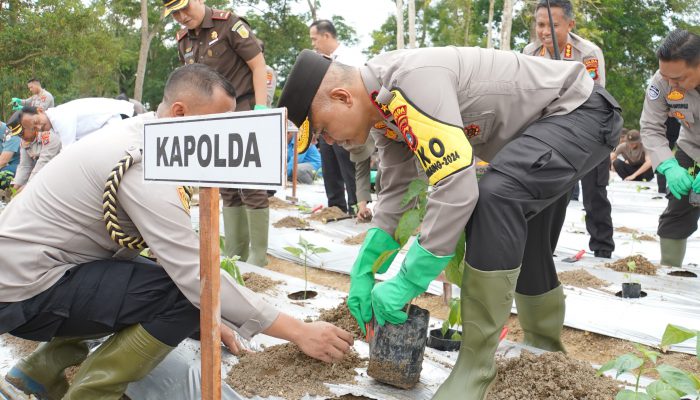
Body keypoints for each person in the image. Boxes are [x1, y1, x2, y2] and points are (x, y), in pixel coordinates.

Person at [278, 47, 621, 399]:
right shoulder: (383, 111)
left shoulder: (410, 83)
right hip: (544, 133)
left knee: (493, 200)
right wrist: (366, 265)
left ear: (342, 97)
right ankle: (543, 350)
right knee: (520, 230)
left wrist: (410, 279)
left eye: (323, 130)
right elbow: (399, 193)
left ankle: (475, 367)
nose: (330, 142)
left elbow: (456, 186)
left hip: (580, 113)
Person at [0, 64, 353, 400]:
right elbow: (195, 277)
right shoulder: (144, 164)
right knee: (184, 296)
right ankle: (91, 393)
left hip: (30, 274)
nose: (225, 134)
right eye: (217, 122)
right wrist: (300, 332)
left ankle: (37, 372)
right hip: (25, 292)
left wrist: (210, 319)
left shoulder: (142, 129)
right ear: (181, 114)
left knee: (165, 289)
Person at [165, 0, 272, 266]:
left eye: (184, 8)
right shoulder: (183, 41)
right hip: (210, 120)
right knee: (226, 186)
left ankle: (258, 256)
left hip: (243, 108)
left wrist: (260, 109)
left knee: (251, 183)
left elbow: (259, 67)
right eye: (174, 13)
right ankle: (236, 252)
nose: (181, 16)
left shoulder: (229, 25)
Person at [523, 0, 615, 259]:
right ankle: (541, 249)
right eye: (540, 25)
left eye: (553, 25)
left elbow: (593, 96)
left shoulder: (587, 53)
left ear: (570, 25)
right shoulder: (530, 53)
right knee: (548, 192)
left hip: (588, 129)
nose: (545, 32)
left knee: (594, 191)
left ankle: (602, 249)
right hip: (549, 131)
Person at [640, 29, 700, 268]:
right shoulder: (661, 82)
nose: (670, 83)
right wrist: (669, 165)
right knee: (678, 210)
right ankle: (670, 274)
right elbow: (651, 127)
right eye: (666, 76)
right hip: (691, 148)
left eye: (678, 78)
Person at [309, 19, 365, 215]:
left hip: (344, 119)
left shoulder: (351, 57)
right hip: (326, 120)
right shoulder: (320, 61)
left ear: (327, 35)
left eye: (315, 39)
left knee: (348, 162)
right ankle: (336, 205)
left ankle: (356, 206)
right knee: (329, 162)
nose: (314, 44)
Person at [14, 98, 134, 147]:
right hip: (111, 127)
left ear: (40, 110)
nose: (39, 127)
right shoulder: (55, 120)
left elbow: (68, 154)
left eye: (36, 122)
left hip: (119, 119)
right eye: (34, 129)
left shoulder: (59, 118)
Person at [5, 113, 62, 191]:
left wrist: (27, 187)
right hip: (45, 173)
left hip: (59, 171)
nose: (21, 137)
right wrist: (15, 187)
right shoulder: (25, 141)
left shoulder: (47, 134)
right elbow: (25, 165)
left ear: (28, 125)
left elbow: (43, 163)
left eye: (21, 133)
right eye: (17, 135)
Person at [0, 122, 21, 190]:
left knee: (3, 174)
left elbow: (3, 161)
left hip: (18, 165)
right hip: (5, 165)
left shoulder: (11, 131)